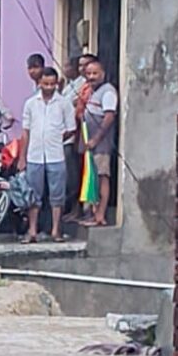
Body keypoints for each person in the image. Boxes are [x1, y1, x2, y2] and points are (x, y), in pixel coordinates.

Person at [19, 65, 76, 243]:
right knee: (33, 196)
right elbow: (25, 132)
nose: (49, 87)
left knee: (57, 195)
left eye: (53, 84)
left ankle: (56, 230)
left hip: (56, 155)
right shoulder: (30, 104)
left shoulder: (64, 103)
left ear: (57, 84)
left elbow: (71, 128)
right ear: (40, 83)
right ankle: (33, 231)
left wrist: (58, 137)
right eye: (46, 84)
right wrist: (22, 157)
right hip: (35, 155)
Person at [79, 56, 119, 228]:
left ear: (103, 74)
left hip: (101, 144)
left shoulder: (108, 91)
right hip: (91, 144)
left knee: (102, 178)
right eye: (89, 73)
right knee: (93, 179)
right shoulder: (94, 91)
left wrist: (96, 139)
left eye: (95, 73)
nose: (92, 76)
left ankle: (100, 215)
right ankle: (94, 214)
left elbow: (109, 117)